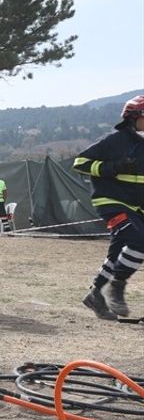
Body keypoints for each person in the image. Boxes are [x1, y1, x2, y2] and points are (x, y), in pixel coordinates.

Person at [73, 95, 144, 320]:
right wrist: (112, 167)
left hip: (137, 207)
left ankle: (95, 295)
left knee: (118, 251)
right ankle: (117, 287)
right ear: (133, 118)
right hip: (110, 201)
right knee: (137, 240)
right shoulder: (114, 141)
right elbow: (79, 163)